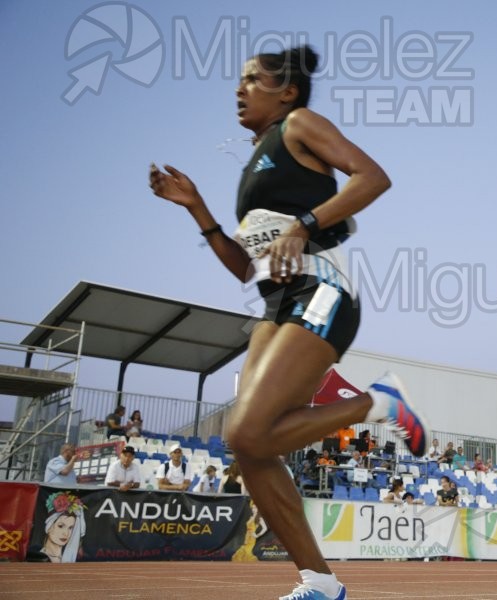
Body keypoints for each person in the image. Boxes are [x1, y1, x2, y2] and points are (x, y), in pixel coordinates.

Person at [148, 45, 430, 600]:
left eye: (252, 79)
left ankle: (379, 403)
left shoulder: (299, 125)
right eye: (239, 80)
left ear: (288, 92)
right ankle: (319, 581)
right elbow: (244, 269)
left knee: (245, 431)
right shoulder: (255, 161)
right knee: (250, 448)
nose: (240, 88)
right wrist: (198, 208)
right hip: (276, 303)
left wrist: (304, 223)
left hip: (321, 287)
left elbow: (373, 177)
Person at [40, 491, 86, 563]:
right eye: (60, 526)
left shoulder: (68, 559)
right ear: (49, 527)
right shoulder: (38, 557)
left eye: (70, 528)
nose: (66, 534)